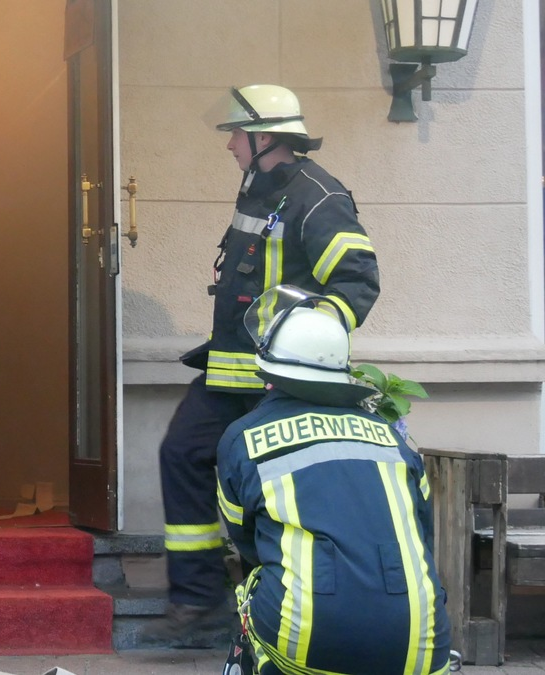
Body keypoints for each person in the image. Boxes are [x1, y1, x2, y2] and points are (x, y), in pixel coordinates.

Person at [157, 84, 381, 634]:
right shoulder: (260, 188)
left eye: (235, 133)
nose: (229, 144)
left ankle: (269, 608)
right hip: (229, 372)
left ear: (263, 136)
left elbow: (357, 283)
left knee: (270, 489)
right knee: (181, 453)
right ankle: (198, 598)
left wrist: (302, 342)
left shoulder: (317, 197)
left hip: (280, 382)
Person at [216, 285, 451, 675]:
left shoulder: (244, 437)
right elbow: (423, 531)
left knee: (254, 590)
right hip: (420, 642)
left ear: (269, 370)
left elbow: (248, 540)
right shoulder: (390, 435)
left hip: (308, 641)